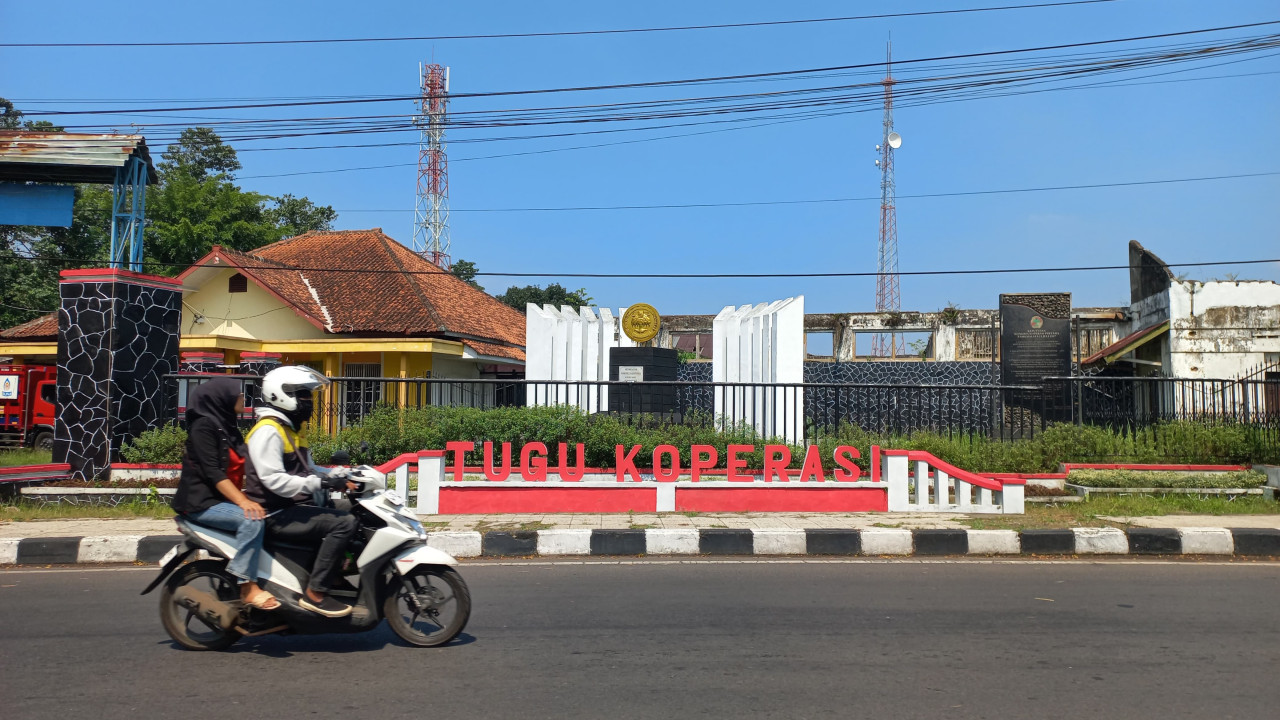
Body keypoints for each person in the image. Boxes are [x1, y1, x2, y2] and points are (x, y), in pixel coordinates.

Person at [242, 366, 358, 618]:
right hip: (275, 512)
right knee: (344, 523)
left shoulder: (292, 429)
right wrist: (321, 483)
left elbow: (309, 469)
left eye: (309, 395)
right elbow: (274, 480)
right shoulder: (268, 431)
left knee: (355, 511)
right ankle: (315, 594)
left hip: (294, 505)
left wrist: (340, 475)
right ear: (280, 394)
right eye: (302, 394)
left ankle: (333, 575)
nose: (309, 401)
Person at [171, 377, 279, 611]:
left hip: (221, 501)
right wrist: (243, 502)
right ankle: (247, 587)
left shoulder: (227, 428)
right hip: (201, 504)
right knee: (252, 520)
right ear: (222, 398)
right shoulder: (203, 427)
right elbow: (213, 472)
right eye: (237, 394)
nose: (242, 398)